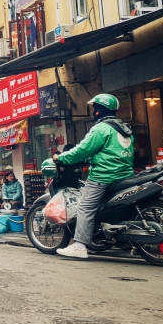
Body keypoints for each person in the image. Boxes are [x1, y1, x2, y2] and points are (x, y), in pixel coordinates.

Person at [55, 94, 134, 260]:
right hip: (125, 175)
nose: (93, 111)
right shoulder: (123, 127)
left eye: (95, 108)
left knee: (85, 207)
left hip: (103, 176)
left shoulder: (101, 128)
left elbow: (83, 150)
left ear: (99, 110)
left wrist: (61, 158)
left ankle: (79, 246)